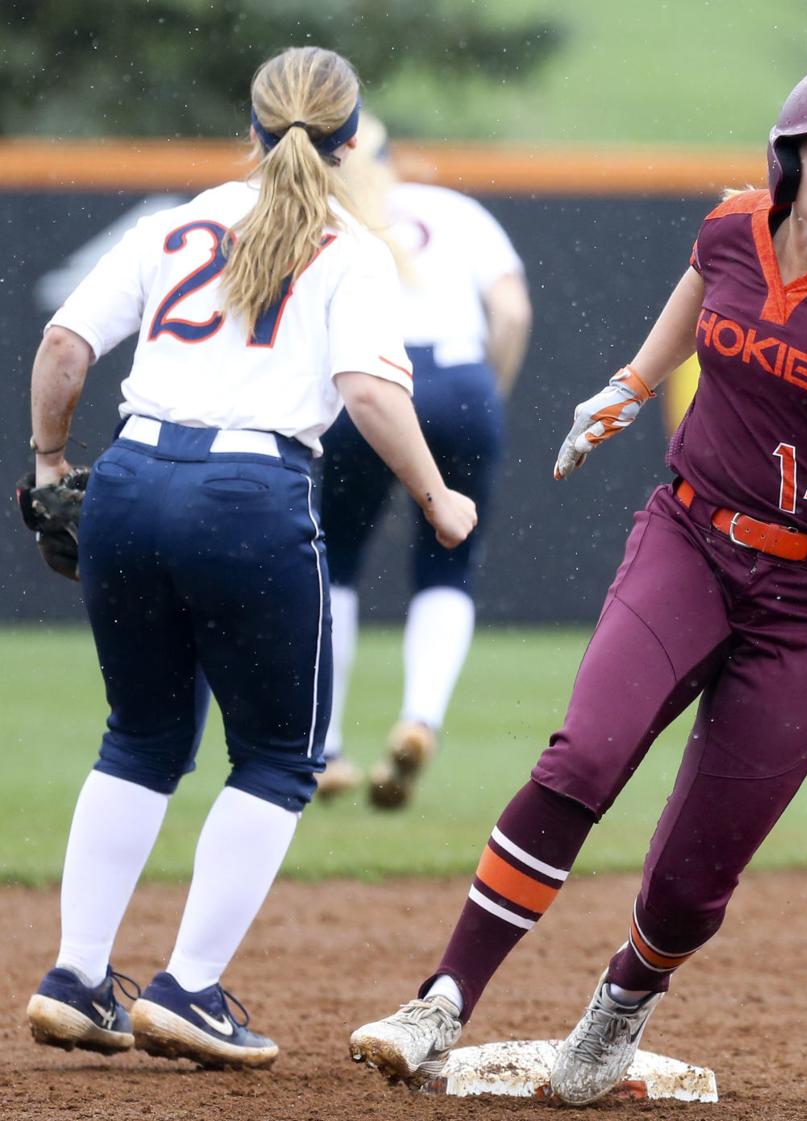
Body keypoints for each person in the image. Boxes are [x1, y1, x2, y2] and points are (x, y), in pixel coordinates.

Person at [347, 64, 807, 1105]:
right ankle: (439, 999)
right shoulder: (736, 226)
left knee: (694, 876)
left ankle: (622, 997)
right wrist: (629, 383)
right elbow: (702, 292)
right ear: (788, 163)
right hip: (692, 538)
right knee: (582, 757)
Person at [23, 46, 476, 1070]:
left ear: (255, 129)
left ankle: (77, 974)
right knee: (277, 753)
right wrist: (437, 494)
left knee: (139, 732)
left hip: (131, 478)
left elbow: (63, 348)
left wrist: (53, 460)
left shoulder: (174, 223)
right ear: (353, 137)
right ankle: (186, 987)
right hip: (247, 495)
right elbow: (367, 392)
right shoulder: (351, 247)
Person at [315, 113, 532, 808]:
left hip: (370, 384)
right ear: (394, 157)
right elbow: (513, 314)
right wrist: (485, 395)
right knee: (448, 562)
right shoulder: (455, 208)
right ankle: (421, 716)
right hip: (461, 380)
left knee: (337, 560)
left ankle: (326, 747)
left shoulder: (333, 216)